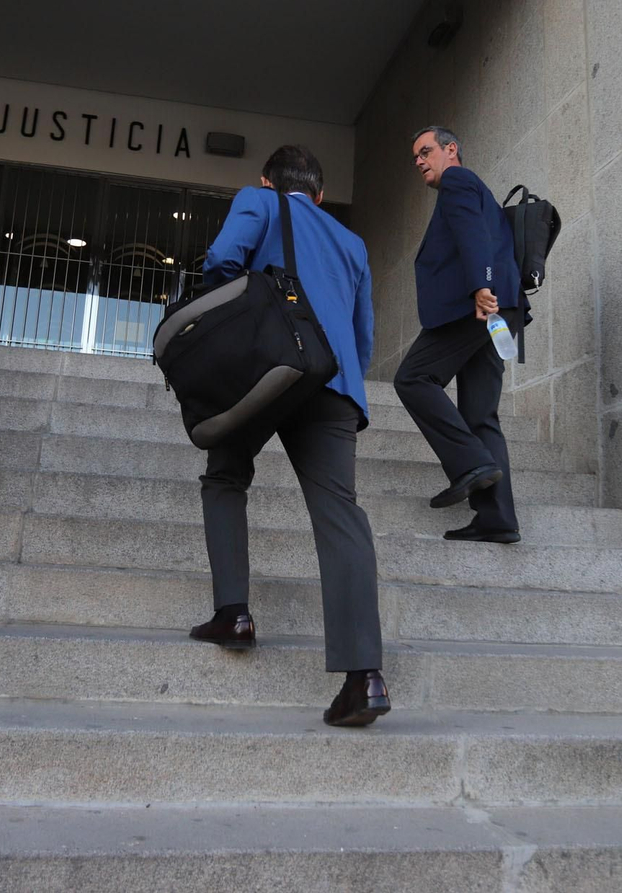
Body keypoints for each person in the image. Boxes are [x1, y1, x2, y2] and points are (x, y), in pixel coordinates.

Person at [187, 145, 389, 727]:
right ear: (321, 196)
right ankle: (364, 677)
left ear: (266, 182)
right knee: (340, 514)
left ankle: (235, 614)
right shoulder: (352, 244)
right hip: (334, 382)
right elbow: (362, 337)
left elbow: (224, 262)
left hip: (266, 371)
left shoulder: (259, 202)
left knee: (225, 472)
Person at [394, 126, 526, 544]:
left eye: (425, 151)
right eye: (414, 156)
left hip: (479, 306)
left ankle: (470, 464)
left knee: (413, 378)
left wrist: (480, 285)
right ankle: (497, 518)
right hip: (498, 308)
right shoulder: (469, 187)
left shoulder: (458, 179)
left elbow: (474, 234)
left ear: (451, 150)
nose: (419, 160)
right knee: (480, 415)